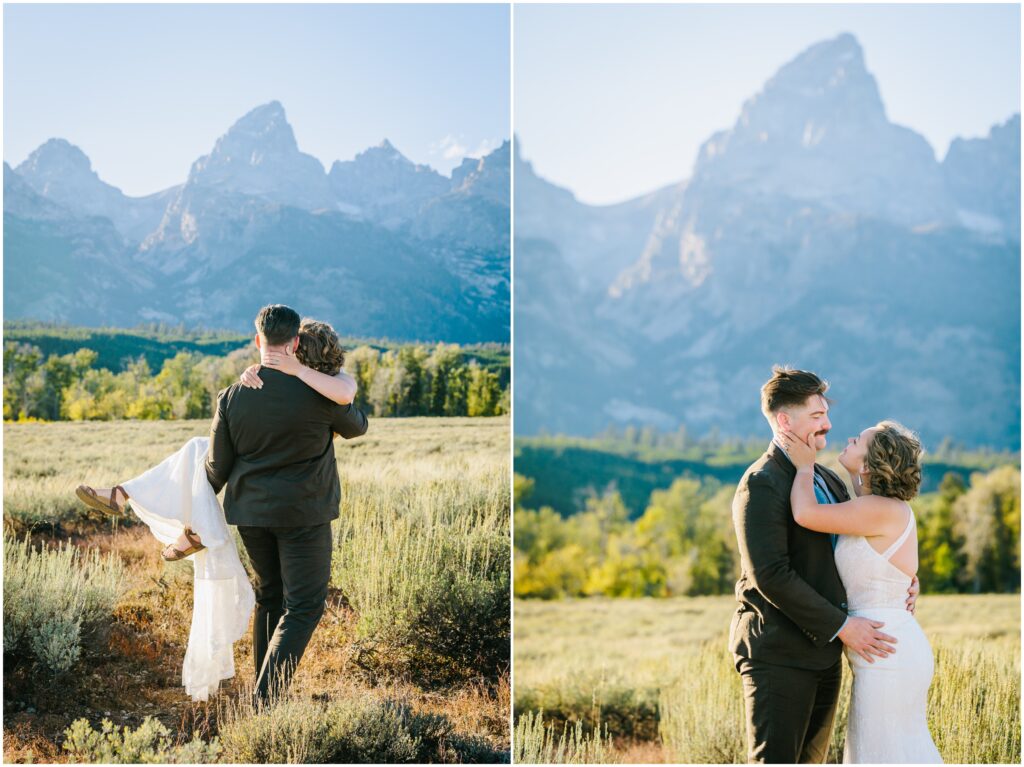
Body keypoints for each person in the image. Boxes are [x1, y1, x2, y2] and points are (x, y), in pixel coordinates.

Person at [75, 307, 367, 702]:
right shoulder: (321, 395)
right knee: (303, 607)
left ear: (257, 341)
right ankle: (266, 700)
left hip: (251, 517)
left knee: (270, 597)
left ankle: (130, 494)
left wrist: (197, 515)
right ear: (294, 343)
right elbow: (358, 425)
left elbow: (215, 468)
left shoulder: (233, 396)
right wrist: (323, 378)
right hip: (304, 514)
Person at [729, 365, 920, 763]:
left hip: (826, 655)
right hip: (780, 656)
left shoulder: (826, 480)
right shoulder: (761, 483)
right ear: (784, 420)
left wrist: (902, 578)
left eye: (826, 415)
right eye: (816, 417)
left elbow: (861, 544)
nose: (828, 425)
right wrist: (843, 625)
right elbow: (771, 575)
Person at [778, 420, 942, 763]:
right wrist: (909, 585)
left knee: (883, 753)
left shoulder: (879, 508)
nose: (849, 438)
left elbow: (805, 513)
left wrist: (804, 464)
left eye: (859, 440)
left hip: (886, 652)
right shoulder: (872, 507)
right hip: (882, 647)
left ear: (868, 465)